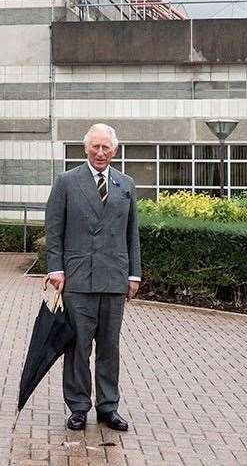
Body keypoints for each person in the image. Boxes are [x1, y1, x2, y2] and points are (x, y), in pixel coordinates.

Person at [45, 123, 142, 431]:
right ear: (85, 148)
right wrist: (56, 268)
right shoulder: (66, 182)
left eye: (106, 148)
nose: (101, 153)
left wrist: (134, 273)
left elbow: (132, 234)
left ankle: (108, 406)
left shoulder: (125, 184)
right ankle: (77, 406)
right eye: (95, 147)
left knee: (110, 347)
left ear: (115, 151)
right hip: (78, 278)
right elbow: (54, 229)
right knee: (78, 347)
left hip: (114, 278)